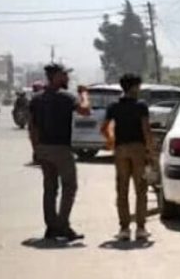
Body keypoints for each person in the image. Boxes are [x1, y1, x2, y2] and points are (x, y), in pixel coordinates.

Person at [29, 63, 91, 241]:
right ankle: (63, 225)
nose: (67, 78)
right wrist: (84, 93)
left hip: (43, 148)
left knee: (50, 189)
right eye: (64, 74)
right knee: (69, 186)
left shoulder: (37, 99)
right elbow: (85, 110)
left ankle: (51, 227)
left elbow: (32, 127)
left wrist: (36, 149)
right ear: (56, 76)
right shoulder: (66, 97)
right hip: (61, 149)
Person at [101, 73, 154, 241]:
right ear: (133, 87)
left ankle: (124, 228)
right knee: (141, 189)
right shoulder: (141, 106)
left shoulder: (114, 106)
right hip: (138, 148)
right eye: (138, 86)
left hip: (121, 149)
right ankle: (140, 228)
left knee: (122, 189)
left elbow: (104, 128)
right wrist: (150, 151)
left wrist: (111, 141)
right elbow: (146, 130)